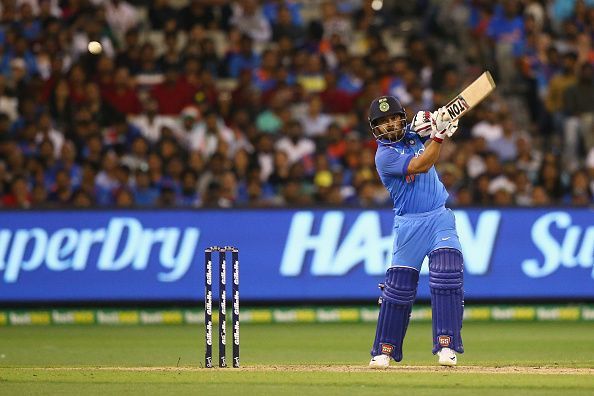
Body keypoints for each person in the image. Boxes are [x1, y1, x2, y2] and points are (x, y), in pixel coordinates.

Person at [367, 95, 464, 368]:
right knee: (398, 290)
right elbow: (422, 165)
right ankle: (383, 350)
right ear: (376, 128)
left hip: (438, 216)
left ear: (401, 117)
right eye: (382, 122)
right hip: (408, 224)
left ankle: (446, 346)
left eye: (392, 118)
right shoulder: (384, 156)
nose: (389, 125)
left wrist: (436, 122)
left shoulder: (412, 134)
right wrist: (439, 136)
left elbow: (425, 124)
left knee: (447, 272)